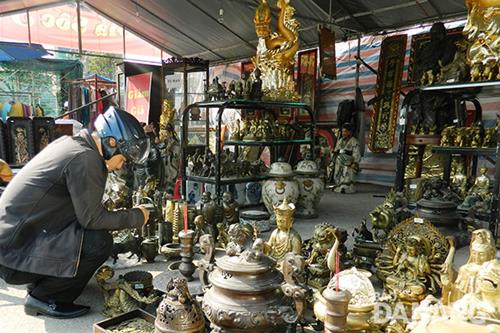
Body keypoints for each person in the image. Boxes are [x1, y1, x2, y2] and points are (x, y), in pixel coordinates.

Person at [0, 107, 151, 319]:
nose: (120, 166)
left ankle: (42, 283)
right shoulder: (86, 159)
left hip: (12, 246)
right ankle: (45, 297)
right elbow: (92, 218)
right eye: (123, 159)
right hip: (13, 253)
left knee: (88, 234)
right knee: (99, 242)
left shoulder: (74, 145)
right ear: (111, 143)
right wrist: (136, 216)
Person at [332, 123, 361, 194]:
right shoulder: (340, 141)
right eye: (342, 132)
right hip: (339, 161)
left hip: (349, 162)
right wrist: (334, 153)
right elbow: (336, 150)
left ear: (349, 132)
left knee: (347, 172)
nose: (343, 133)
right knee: (338, 173)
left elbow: (356, 153)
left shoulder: (354, 141)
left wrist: (354, 162)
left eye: (345, 131)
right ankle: (339, 186)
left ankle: (347, 187)